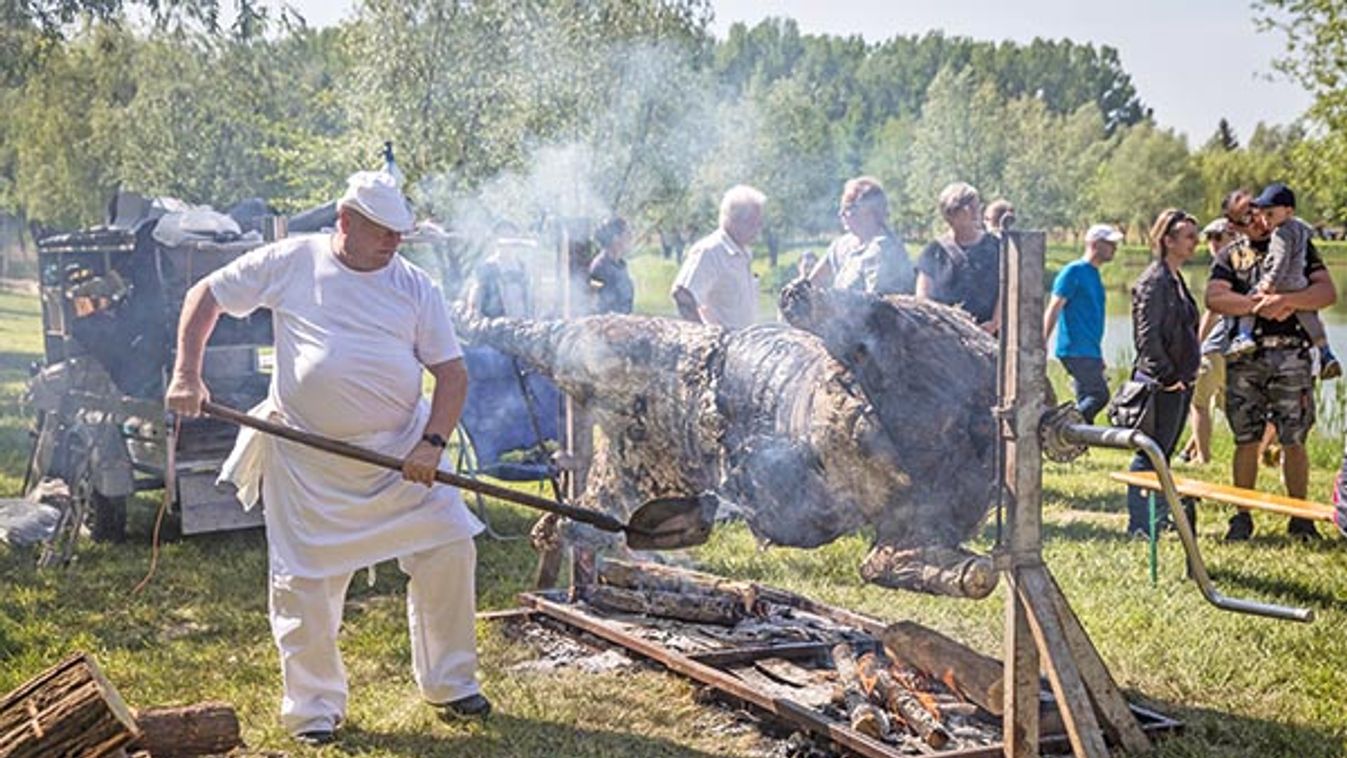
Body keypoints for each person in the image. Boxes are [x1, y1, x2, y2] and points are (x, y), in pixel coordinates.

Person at [165, 171, 489, 745]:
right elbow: (206, 296)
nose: (394, 242)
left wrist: (432, 444)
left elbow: (452, 373)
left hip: (401, 455)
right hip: (307, 458)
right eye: (383, 231)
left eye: (400, 233)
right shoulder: (292, 260)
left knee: (448, 545)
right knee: (304, 582)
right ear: (346, 221)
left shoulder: (415, 286)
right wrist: (187, 374)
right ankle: (313, 709)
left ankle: (451, 681)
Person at [1206, 187, 1337, 541]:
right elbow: (1215, 297)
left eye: (1259, 211)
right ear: (1234, 223)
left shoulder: (1298, 245)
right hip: (1246, 357)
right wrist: (1256, 306)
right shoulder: (1231, 256)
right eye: (1246, 215)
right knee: (1245, 438)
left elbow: (1326, 293)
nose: (1256, 220)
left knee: (1294, 438)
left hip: (1292, 353)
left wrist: (1286, 300)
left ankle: (1300, 517)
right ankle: (1242, 515)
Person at [1123, 209, 1201, 538]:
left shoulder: (1175, 279)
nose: (1195, 242)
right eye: (1188, 237)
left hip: (1179, 382)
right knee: (1149, 454)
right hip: (1160, 385)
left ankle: (1158, 517)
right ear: (1167, 240)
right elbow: (1146, 338)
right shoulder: (1154, 282)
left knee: (1162, 454)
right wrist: (1169, 378)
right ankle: (1140, 524)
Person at [1226, 182, 1340, 379]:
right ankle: (1325, 352)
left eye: (1269, 214)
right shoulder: (1300, 228)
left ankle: (1244, 336)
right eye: (1261, 213)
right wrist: (1293, 300)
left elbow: (1280, 262)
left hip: (1282, 281)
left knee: (1251, 300)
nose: (1263, 219)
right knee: (1308, 316)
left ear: (1288, 211)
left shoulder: (1280, 233)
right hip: (1299, 284)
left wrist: (1270, 285)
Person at [1043, 223, 1121, 424]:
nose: (1115, 248)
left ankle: (1076, 443)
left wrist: (1098, 354)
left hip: (1089, 350)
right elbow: (1054, 307)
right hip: (1074, 348)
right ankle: (1061, 427)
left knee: (1086, 397)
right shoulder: (1073, 271)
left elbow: (1092, 318)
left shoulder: (1093, 274)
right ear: (1095, 244)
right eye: (1110, 243)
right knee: (1099, 395)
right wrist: (1042, 341)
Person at [1179, 218, 1236, 465]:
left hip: (1216, 347)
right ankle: (1188, 452)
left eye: (1217, 237)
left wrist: (1196, 345)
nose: (1211, 243)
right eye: (1209, 237)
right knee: (1224, 405)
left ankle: (1202, 459)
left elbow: (1212, 312)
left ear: (1232, 237)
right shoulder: (1248, 265)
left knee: (1199, 403)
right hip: (1237, 350)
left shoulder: (1223, 269)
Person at [671, 185, 766, 328]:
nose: (759, 229)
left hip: (742, 344)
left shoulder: (744, 252)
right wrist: (705, 338)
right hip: (721, 346)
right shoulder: (710, 251)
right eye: (754, 223)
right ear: (734, 220)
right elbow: (683, 295)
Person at [915, 182, 1001, 333]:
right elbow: (922, 300)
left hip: (991, 336)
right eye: (966, 208)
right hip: (946, 339)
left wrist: (994, 323)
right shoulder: (934, 252)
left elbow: (1008, 291)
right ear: (950, 214)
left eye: (975, 206)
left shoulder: (997, 247)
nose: (973, 212)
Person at [806, 176, 914, 295]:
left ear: (870, 210)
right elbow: (812, 282)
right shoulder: (842, 245)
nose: (841, 213)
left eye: (848, 207)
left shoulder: (885, 250)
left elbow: (878, 305)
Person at [465, 220, 532, 318]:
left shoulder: (521, 267)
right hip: (496, 325)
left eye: (511, 236)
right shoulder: (488, 267)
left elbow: (528, 298)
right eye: (504, 235)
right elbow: (476, 296)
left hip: (521, 325)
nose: (508, 241)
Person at [589, 216, 635, 315]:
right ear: (615, 238)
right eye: (627, 234)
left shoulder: (621, 265)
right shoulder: (600, 268)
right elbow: (595, 304)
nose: (631, 237)